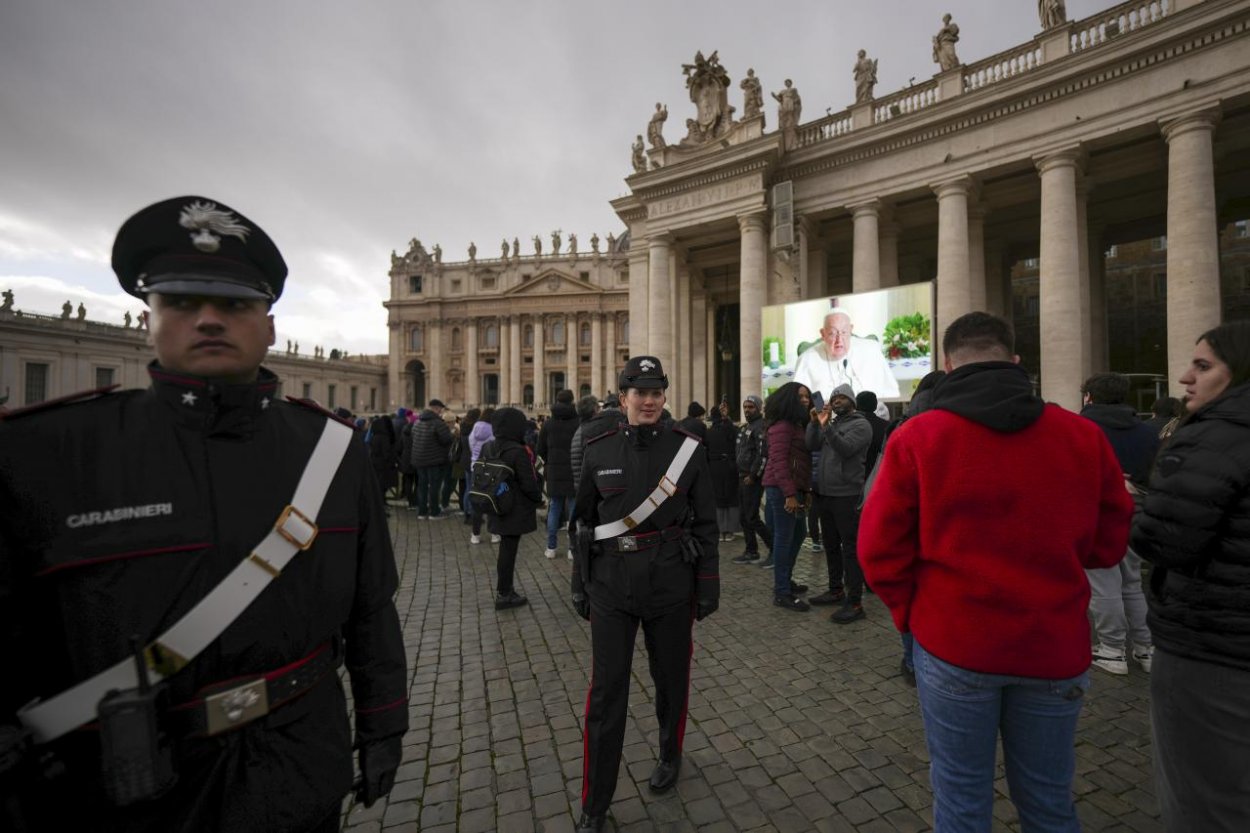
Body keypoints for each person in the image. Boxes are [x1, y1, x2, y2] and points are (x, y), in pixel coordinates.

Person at [0, 196, 408, 832]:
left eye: (236, 304)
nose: (210, 320)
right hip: (123, 786)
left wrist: (385, 721)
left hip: (298, 765)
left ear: (269, 325)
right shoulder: (44, 456)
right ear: (149, 320)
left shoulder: (329, 451)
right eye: (184, 302)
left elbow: (371, 607)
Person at [860, 311, 1133, 832]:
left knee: (962, 798)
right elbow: (1108, 546)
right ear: (1014, 360)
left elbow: (878, 552)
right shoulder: (1082, 436)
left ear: (947, 363)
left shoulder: (919, 437)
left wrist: (911, 616)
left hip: (955, 641)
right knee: (1050, 800)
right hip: (1053, 644)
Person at [570, 356, 719, 833]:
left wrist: (708, 586)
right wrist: (581, 584)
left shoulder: (688, 449)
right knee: (607, 695)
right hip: (612, 584)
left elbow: (707, 523)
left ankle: (670, 754)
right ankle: (595, 804)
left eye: (657, 392)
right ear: (623, 398)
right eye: (640, 392)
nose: (649, 400)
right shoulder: (596, 448)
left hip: (671, 582)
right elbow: (583, 524)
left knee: (671, 679)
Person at [1131, 320, 1250, 833]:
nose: (1184, 378)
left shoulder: (1214, 435)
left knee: (1203, 799)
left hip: (1211, 642)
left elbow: (1164, 541)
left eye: (1202, 366)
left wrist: (1135, 507)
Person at [1079, 372, 1160, 675]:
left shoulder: (1083, 428)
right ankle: (1145, 647)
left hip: (1098, 512)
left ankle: (1112, 650)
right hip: (1135, 509)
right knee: (1132, 582)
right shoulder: (1146, 431)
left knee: (1103, 584)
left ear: (1089, 396)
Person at [806, 384, 872, 622]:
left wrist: (826, 427)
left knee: (850, 549)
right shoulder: (830, 424)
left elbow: (845, 449)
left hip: (846, 494)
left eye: (841, 398)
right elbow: (810, 444)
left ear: (852, 401)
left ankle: (855, 603)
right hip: (825, 493)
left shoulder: (861, 425)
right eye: (833, 399)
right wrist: (815, 423)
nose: (836, 402)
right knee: (831, 545)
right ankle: (835, 590)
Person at [761, 381, 814, 610]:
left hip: (794, 488)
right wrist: (790, 494)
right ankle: (781, 591)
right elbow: (779, 462)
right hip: (781, 489)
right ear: (789, 399)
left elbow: (803, 462)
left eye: (807, 396)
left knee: (799, 532)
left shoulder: (796, 424)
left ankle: (785, 579)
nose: (805, 400)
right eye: (801, 396)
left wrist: (806, 490)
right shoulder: (782, 426)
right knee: (784, 537)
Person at [485, 407, 543, 610]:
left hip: (495, 502)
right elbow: (528, 483)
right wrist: (538, 499)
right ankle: (504, 593)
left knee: (505, 549)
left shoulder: (489, 446)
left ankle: (505, 590)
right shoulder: (517, 451)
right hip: (513, 507)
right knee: (508, 551)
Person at [794, 307, 899, 415]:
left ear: (851, 329)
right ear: (823, 333)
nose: (839, 340)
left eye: (844, 332)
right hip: (828, 423)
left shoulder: (871, 350)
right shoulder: (808, 358)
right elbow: (802, 401)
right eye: (832, 333)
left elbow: (891, 393)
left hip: (871, 418)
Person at [537, 389, 578, 559]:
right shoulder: (578, 422)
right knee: (573, 509)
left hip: (553, 470)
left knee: (554, 508)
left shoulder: (548, 423)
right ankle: (572, 548)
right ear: (572, 401)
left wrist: (549, 461)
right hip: (573, 470)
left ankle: (551, 548)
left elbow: (540, 449)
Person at [732, 394, 773, 565]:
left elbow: (763, 455)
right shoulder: (745, 427)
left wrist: (754, 475)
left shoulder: (761, 427)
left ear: (758, 408)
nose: (747, 410)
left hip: (751, 479)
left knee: (752, 517)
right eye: (745, 407)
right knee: (744, 517)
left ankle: (774, 548)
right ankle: (751, 550)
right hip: (742, 477)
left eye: (751, 407)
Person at [409, 398, 452, 518]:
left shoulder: (417, 422)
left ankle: (422, 512)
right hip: (434, 460)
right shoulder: (438, 423)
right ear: (436, 409)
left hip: (419, 459)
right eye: (440, 409)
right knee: (434, 486)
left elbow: (413, 437)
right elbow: (447, 440)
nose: (441, 412)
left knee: (422, 486)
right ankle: (434, 512)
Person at [707, 402, 741, 542]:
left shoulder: (709, 432)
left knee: (719, 499)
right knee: (731, 498)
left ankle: (721, 531)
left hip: (715, 468)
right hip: (729, 467)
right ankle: (730, 530)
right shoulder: (730, 429)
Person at [468, 407, 499, 545]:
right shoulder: (494, 431)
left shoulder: (475, 428)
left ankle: (475, 534)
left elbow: (471, 445)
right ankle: (494, 534)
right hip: (491, 468)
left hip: (476, 467)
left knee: (477, 500)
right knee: (492, 500)